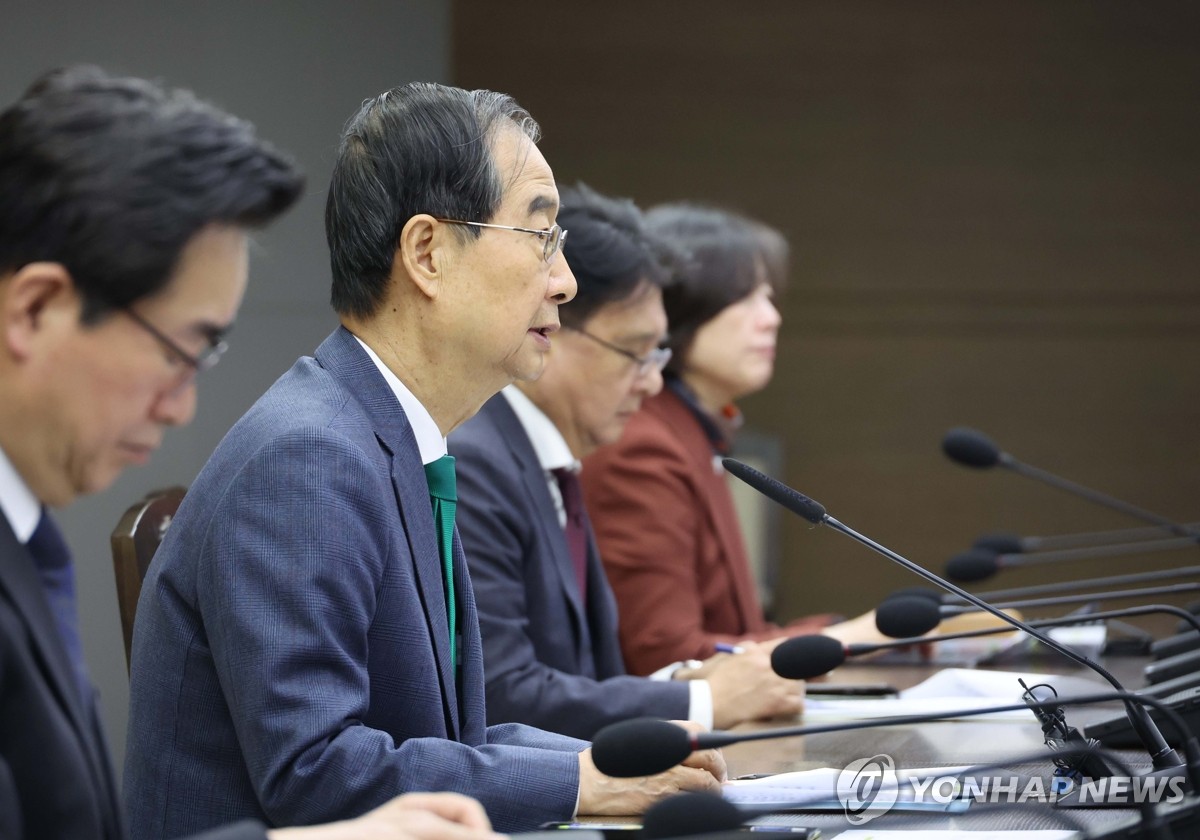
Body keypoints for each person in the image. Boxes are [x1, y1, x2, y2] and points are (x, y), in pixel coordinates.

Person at [124, 83, 724, 839]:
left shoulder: (387, 436)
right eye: (541, 236)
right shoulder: (308, 459)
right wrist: (578, 783)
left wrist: (610, 770)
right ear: (428, 253)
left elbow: (452, 743)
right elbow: (317, 772)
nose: (564, 280)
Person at [0, 65, 506, 840]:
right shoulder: (308, 450)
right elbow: (316, 765)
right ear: (34, 310)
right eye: (179, 350)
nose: (183, 406)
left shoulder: (27, 537)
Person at [448, 183, 805, 740]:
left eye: (658, 353)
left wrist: (686, 680)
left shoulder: (554, 459)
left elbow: (588, 675)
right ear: (552, 329)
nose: (653, 381)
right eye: (635, 353)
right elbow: (501, 694)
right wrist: (702, 699)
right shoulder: (479, 462)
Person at [581, 204, 878, 675]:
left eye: (770, 297)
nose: (771, 318)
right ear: (680, 308)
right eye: (747, 298)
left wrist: (855, 635)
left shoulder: (693, 430)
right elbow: (667, 656)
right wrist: (855, 637)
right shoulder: (642, 445)